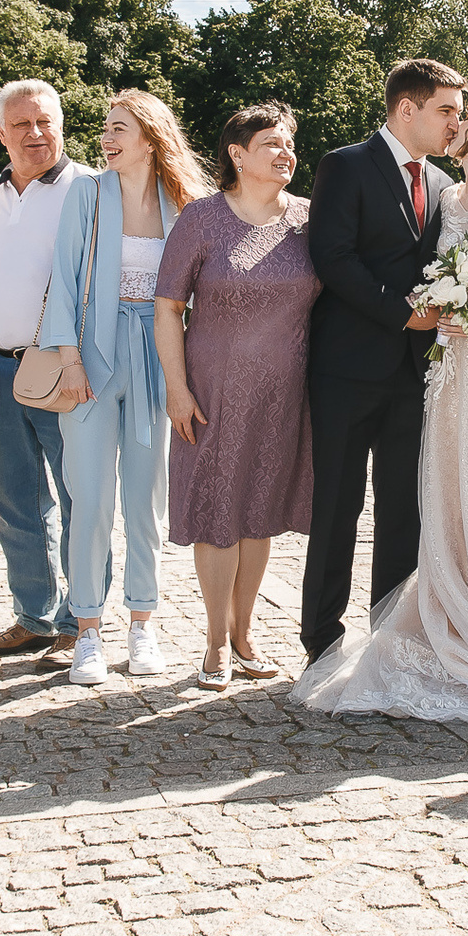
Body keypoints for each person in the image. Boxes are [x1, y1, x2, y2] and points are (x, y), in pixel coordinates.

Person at [297, 94, 468, 725]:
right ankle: (348, 637)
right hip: (439, 364)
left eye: (462, 118)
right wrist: (438, 308)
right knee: (440, 491)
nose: (454, 125)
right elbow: (363, 260)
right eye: (448, 112)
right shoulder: (444, 196)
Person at [302, 59, 468, 661]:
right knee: (337, 507)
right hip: (346, 370)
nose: (455, 123)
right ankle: (322, 640)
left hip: (417, 372)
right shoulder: (345, 165)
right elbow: (333, 255)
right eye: (446, 110)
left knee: (404, 510)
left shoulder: (446, 186)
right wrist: (401, 313)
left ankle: (390, 642)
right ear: (407, 108)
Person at [36, 91, 203, 687]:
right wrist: (69, 359)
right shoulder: (87, 194)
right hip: (92, 359)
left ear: (151, 138)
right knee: (89, 499)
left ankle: (142, 624)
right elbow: (62, 278)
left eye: (119, 129)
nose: (106, 138)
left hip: (159, 358)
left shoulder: (184, 204)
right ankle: (86, 630)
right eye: (105, 129)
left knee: (146, 498)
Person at [155, 104, 318, 688]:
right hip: (212, 390)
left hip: (286, 392)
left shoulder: (309, 219)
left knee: (259, 513)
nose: (285, 152)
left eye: (290, 142)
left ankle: (245, 632)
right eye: (272, 142)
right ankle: (214, 642)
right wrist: (177, 389)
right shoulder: (201, 218)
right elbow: (168, 308)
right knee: (216, 511)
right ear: (238, 153)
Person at [0, 80, 92, 662]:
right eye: (21, 124)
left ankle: (79, 622)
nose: (35, 133)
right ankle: (34, 616)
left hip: (66, 368)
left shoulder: (90, 189)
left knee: (79, 497)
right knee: (15, 500)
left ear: (61, 125)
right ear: (0, 131)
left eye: (45, 122)